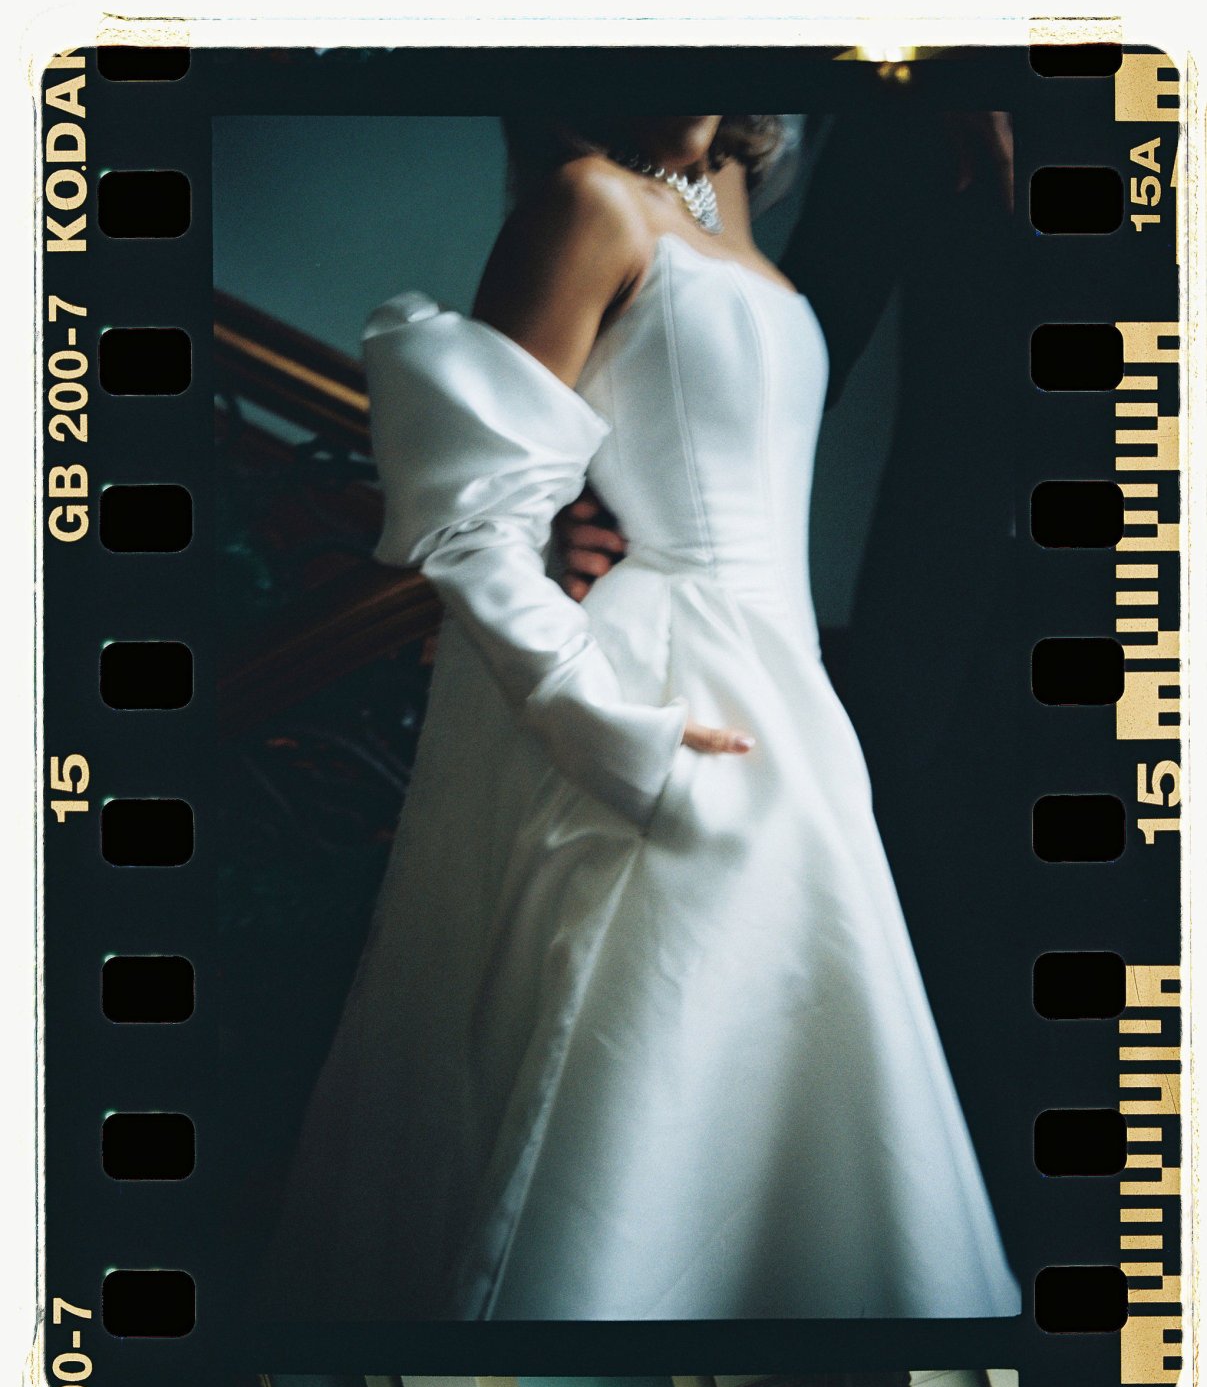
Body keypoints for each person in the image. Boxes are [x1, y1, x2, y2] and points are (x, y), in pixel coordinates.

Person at [259, 114, 1021, 1322]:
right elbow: (472, 523)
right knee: (635, 1096)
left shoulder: (729, 189)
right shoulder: (587, 202)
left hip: (788, 704)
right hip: (660, 706)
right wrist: (604, 724)